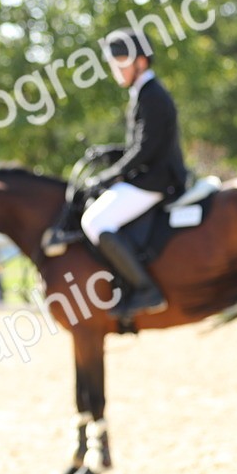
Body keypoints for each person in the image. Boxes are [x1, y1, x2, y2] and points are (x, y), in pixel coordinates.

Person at [80, 27, 187, 318]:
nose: (115, 70)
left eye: (120, 63)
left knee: (95, 221)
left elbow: (146, 149)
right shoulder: (144, 92)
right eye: (112, 64)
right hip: (149, 175)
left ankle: (146, 289)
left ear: (140, 62)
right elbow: (141, 144)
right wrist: (110, 153)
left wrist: (111, 174)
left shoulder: (152, 95)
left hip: (156, 180)